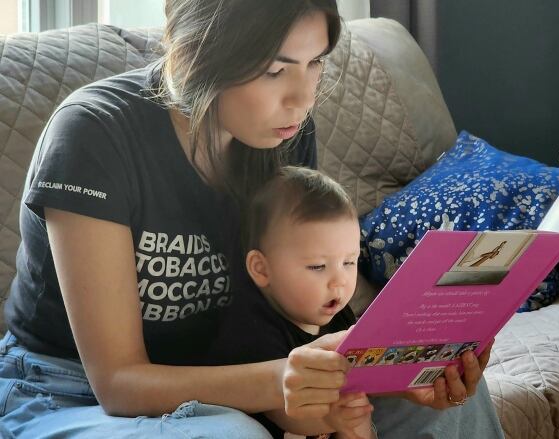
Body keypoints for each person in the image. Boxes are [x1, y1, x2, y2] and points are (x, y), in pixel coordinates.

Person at [0, 0, 504, 438]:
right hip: (62, 389)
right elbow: (118, 383)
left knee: (448, 403)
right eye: (274, 70)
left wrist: (392, 371)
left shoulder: (281, 133)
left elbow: (290, 309)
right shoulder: (94, 134)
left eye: (315, 65)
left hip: (226, 369)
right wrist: (283, 380)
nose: (302, 100)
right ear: (197, 52)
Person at [210, 165, 374, 438]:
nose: (339, 282)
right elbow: (287, 413)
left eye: (349, 262)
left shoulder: (340, 315)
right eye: (318, 266)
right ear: (262, 269)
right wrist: (331, 419)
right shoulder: (251, 329)